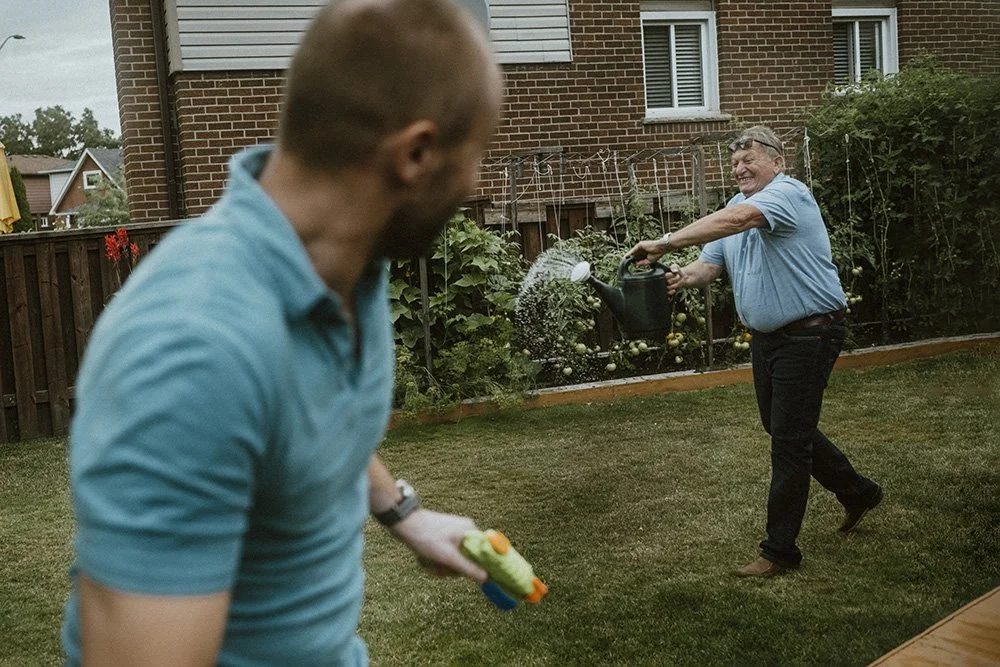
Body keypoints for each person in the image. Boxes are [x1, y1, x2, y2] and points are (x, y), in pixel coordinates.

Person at [61, 0, 503, 664]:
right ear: (415, 153)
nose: (476, 181)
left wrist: (403, 512)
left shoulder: (351, 267)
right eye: (478, 153)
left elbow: (315, 416)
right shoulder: (193, 349)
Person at [626, 126, 882, 578]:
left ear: (777, 162)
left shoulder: (788, 195)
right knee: (782, 426)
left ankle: (780, 551)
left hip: (811, 332)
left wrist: (665, 241)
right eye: (735, 163)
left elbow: (741, 222)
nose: (740, 169)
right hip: (769, 338)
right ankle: (858, 492)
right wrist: (681, 275)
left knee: (788, 440)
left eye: (750, 160)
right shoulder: (732, 208)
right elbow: (711, 263)